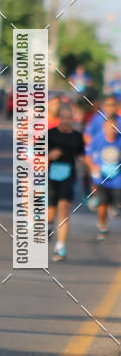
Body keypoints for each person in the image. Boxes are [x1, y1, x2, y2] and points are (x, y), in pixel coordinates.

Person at [47, 104, 88, 261]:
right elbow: (36, 153)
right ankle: (49, 225)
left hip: (68, 176)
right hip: (50, 176)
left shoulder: (77, 137)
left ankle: (60, 246)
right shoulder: (50, 134)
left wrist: (88, 169)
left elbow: (82, 156)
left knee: (63, 208)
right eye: (63, 117)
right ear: (59, 118)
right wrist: (49, 155)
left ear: (72, 119)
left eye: (68, 118)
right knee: (50, 209)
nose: (66, 121)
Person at [86, 117, 121, 239]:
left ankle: (115, 206)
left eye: (114, 128)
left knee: (117, 203)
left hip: (117, 179)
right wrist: (92, 167)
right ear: (104, 128)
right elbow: (88, 156)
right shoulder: (97, 140)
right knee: (102, 203)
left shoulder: (119, 140)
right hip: (101, 178)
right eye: (109, 127)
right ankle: (102, 224)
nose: (112, 130)